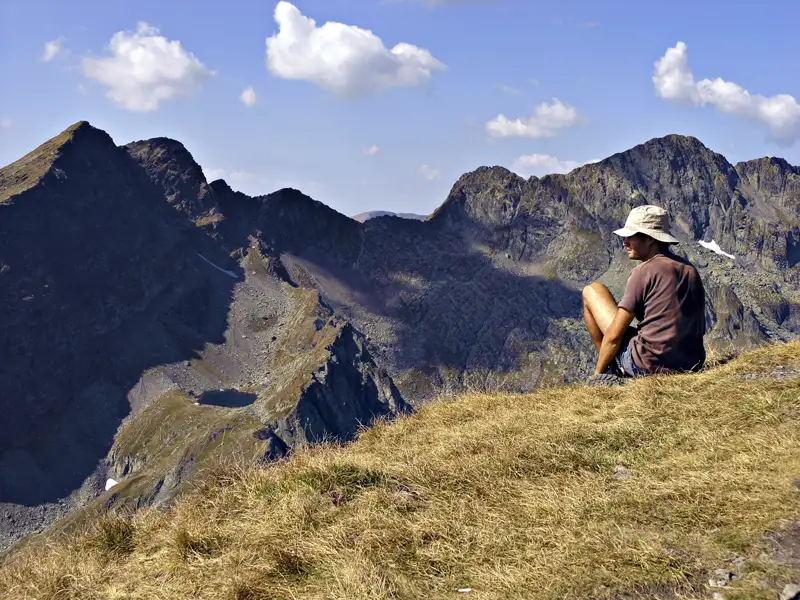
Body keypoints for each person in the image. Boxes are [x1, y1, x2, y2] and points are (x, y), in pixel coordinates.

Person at [582, 204, 706, 378]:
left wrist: (597, 375)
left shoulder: (643, 272)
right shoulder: (689, 269)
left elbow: (614, 336)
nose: (625, 242)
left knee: (592, 290)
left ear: (650, 239)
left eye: (631, 236)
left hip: (648, 366)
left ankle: (609, 372)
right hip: (691, 364)